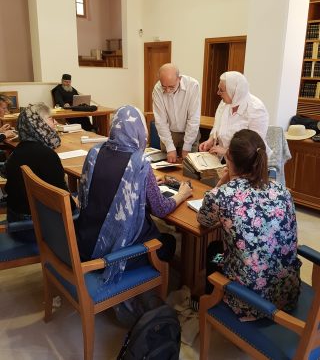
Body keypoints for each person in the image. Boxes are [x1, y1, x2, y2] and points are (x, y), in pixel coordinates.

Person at [75, 105, 193, 285]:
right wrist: (182, 194)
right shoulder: (138, 163)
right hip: (113, 253)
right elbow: (160, 209)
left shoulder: (95, 152)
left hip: (86, 241)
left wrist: (146, 184)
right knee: (168, 241)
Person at [197, 129, 301, 321]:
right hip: (287, 292)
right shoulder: (282, 191)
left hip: (251, 302)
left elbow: (204, 220)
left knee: (214, 251)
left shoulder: (221, 195)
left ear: (229, 159)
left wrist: (220, 183)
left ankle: (212, 302)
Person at [5, 103, 77, 242]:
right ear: (38, 124)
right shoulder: (46, 155)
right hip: (34, 228)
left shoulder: (18, 151)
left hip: (15, 220)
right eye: (51, 119)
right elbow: (64, 203)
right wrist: (75, 201)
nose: (55, 122)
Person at [199, 71, 270, 157]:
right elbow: (217, 126)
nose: (218, 93)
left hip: (248, 162)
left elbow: (253, 146)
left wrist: (226, 151)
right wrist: (210, 140)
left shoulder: (256, 109)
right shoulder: (224, 104)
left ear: (234, 91)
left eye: (221, 90)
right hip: (228, 159)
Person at [152, 63, 201, 163]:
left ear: (179, 78)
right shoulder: (157, 89)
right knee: (168, 169)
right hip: (169, 134)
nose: (168, 90)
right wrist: (170, 147)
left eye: (171, 87)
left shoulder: (193, 85)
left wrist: (187, 146)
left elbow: (193, 118)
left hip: (190, 132)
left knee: (189, 169)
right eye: (164, 87)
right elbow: (160, 121)